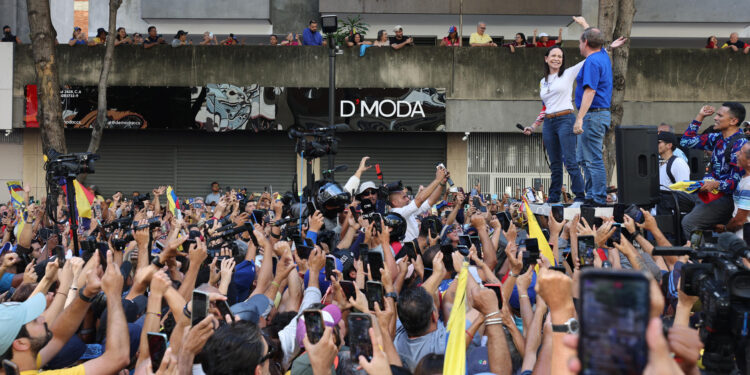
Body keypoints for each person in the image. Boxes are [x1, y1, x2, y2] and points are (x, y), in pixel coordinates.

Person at [523, 45, 588, 203]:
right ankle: (553, 197)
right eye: (553, 55)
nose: (557, 59)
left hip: (565, 119)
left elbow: (590, 59)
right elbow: (545, 107)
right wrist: (533, 126)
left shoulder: (567, 73)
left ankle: (580, 196)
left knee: (570, 161)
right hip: (549, 123)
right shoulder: (542, 82)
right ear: (546, 58)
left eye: (560, 56)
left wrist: (609, 48)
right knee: (555, 164)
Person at [680, 103, 748, 237]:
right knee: (672, 196)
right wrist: (700, 116)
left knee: (688, 223)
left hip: (726, 198)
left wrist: (716, 184)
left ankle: (700, 257)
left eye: (720, 115)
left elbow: (737, 183)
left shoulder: (741, 146)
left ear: (733, 121)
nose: (715, 118)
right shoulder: (717, 138)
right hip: (709, 191)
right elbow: (685, 142)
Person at [572, 17, 613, 206]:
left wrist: (579, 118)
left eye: (581, 41)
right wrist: (584, 25)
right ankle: (591, 195)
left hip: (593, 115)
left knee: (593, 159)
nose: (579, 45)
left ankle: (597, 199)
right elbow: (596, 39)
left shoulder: (592, 62)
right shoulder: (603, 54)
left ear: (585, 42)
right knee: (583, 158)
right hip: (595, 115)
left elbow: (590, 91)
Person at [389, 167, 447, 242]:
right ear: (394, 202)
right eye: (404, 197)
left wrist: (442, 183)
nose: (407, 199)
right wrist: (437, 180)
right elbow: (419, 200)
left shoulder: (407, 211)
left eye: (406, 196)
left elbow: (431, 201)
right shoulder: (397, 213)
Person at [717, 142, 750, 237]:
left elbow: (740, 221)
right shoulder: (744, 179)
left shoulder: (748, 184)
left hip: (744, 238)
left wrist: (725, 229)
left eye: (741, 152)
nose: (736, 153)